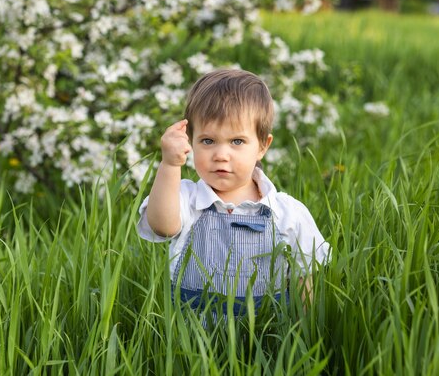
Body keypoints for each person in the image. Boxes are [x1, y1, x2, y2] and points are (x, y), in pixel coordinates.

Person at [137, 69, 330, 317]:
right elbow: (162, 226)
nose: (221, 154)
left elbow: (306, 280)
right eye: (208, 141)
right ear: (191, 142)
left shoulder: (287, 213)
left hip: (264, 340)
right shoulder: (187, 198)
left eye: (237, 141)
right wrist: (170, 166)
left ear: (262, 146)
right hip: (192, 343)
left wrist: (305, 332)